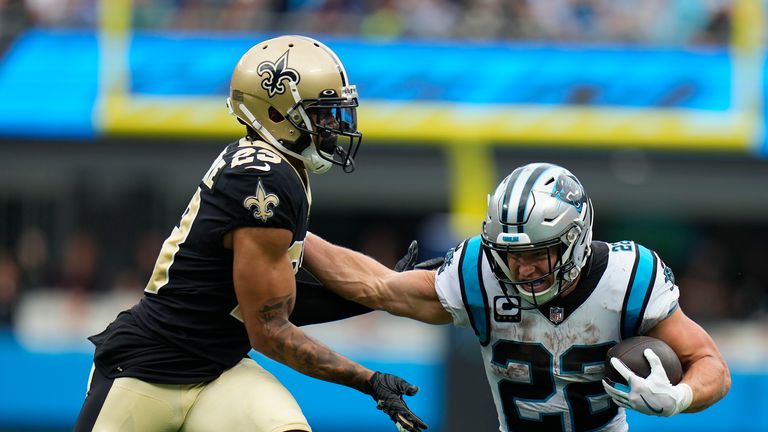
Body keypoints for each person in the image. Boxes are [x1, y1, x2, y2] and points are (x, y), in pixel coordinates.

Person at [74, 35, 427, 432]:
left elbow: (300, 251)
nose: (334, 125)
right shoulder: (265, 181)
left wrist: (386, 285)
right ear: (277, 113)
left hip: (219, 368)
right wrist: (369, 380)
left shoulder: (276, 166)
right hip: (149, 371)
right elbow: (270, 328)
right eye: (323, 113)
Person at [303, 162, 731, 432]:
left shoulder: (628, 277)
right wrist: (292, 234)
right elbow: (376, 286)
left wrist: (679, 398)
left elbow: (711, 365)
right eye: (510, 255)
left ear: (575, 239)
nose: (520, 269)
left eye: (537, 255)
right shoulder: (480, 274)